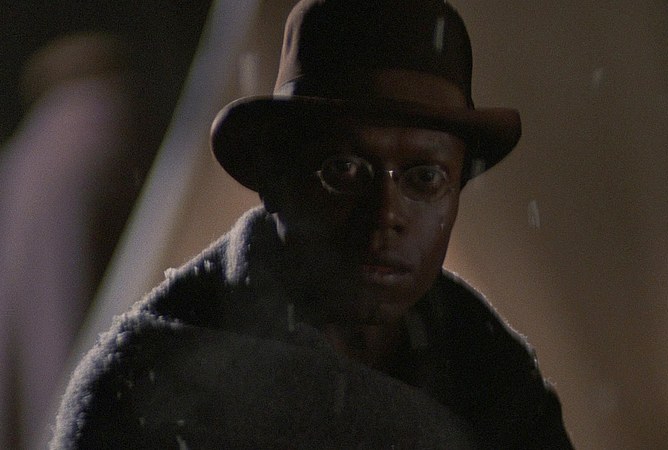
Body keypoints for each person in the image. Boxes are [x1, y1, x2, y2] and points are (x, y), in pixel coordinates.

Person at [51, 0, 574, 448]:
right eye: (343, 170)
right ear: (275, 178)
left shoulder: (499, 385)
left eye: (425, 178)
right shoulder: (144, 393)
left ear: (456, 192)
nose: (386, 213)